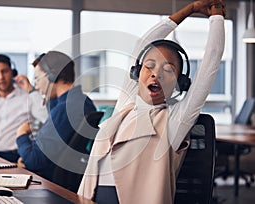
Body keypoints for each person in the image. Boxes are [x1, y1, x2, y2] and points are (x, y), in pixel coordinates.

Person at [78, 0, 225, 203]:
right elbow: (143, 44)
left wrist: (216, 17)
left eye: (168, 69)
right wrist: (188, 11)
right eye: (149, 66)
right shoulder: (126, 105)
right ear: (138, 72)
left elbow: (211, 62)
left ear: (177, 83)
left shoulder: (174, 121)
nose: (156, 73)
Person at [16, 51, 97, 191]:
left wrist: (21, 134)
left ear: (52, 75)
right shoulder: (82, 102)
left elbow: (35, 161)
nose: (36, 86)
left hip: (53, 187)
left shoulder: (66, 109)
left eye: (37, 79)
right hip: (66, 179)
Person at [0, 54, 48, 162]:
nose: (0, 77)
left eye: (4, 71)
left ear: (13, 72)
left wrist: (31, 90)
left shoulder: (28, 97)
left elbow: (46, 118)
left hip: (17, 158)